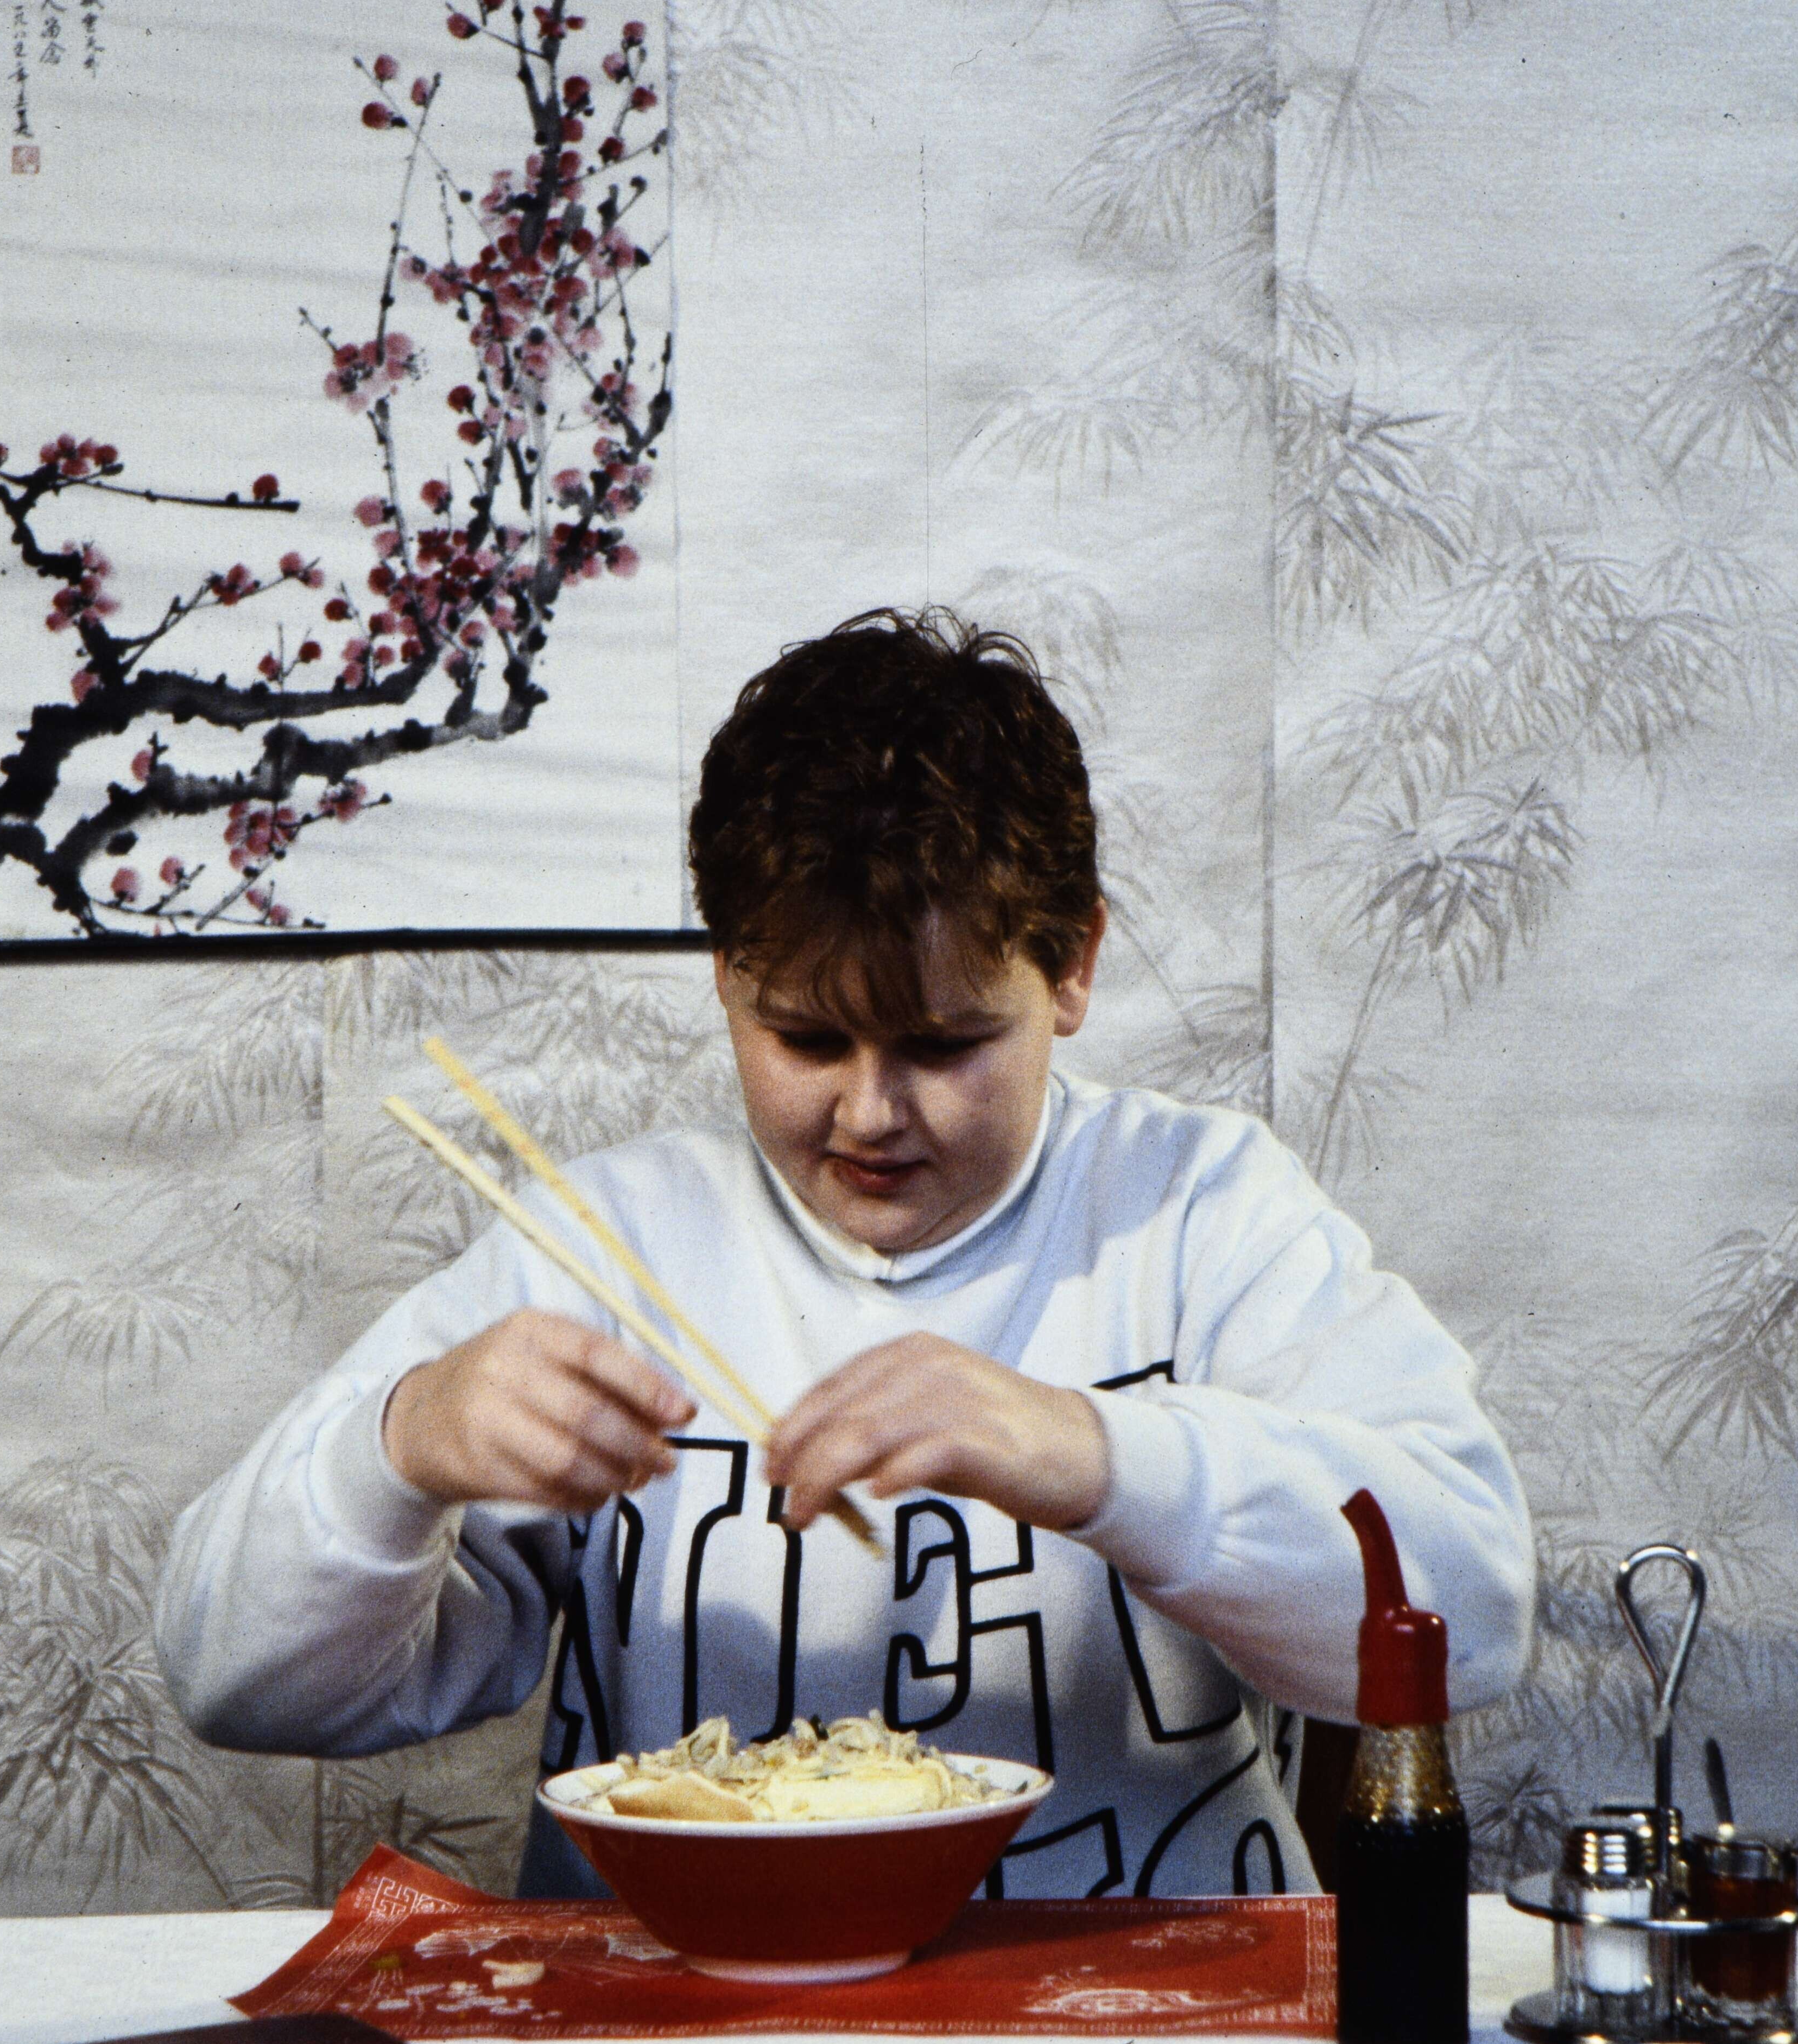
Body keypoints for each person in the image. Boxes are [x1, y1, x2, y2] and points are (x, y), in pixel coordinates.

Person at [157, 609, 1536, 1899]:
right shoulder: (606, 1245)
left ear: (1070, 968)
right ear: (724, 972)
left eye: (943, 1044)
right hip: (685, 2030)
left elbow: (1472, 1615)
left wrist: (1086, 1452)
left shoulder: (1194, 1207)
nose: (869, 1113)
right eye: (805, 1037)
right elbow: (232, 1683)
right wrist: (399, 1447)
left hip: (1141, 2020)